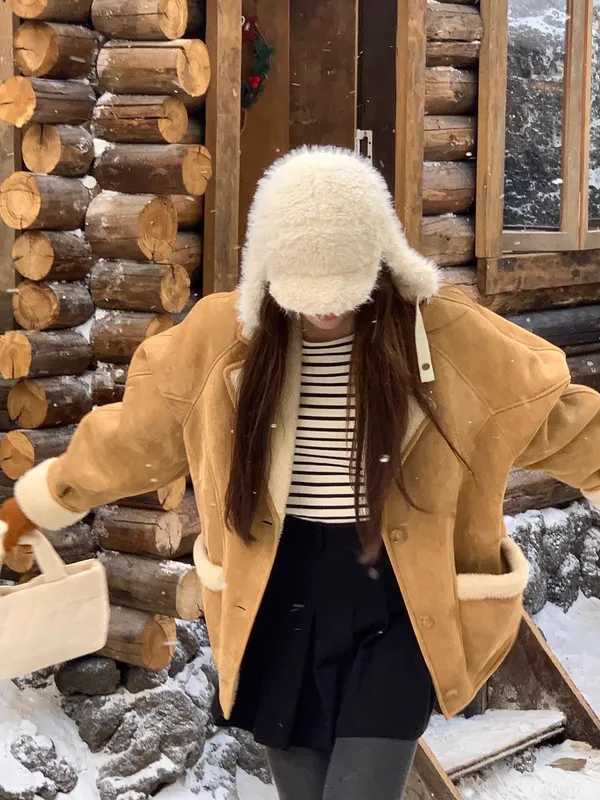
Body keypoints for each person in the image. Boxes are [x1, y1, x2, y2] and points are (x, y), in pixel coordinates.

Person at [2, 146, 600, 800]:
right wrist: (42, 501)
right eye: (305, 295)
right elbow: (132, 439)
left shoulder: (448, 335)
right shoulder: (220, 338)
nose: (325, 314)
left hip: (396, 598)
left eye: (343, 291)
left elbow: (564, 423)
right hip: (276, 593)